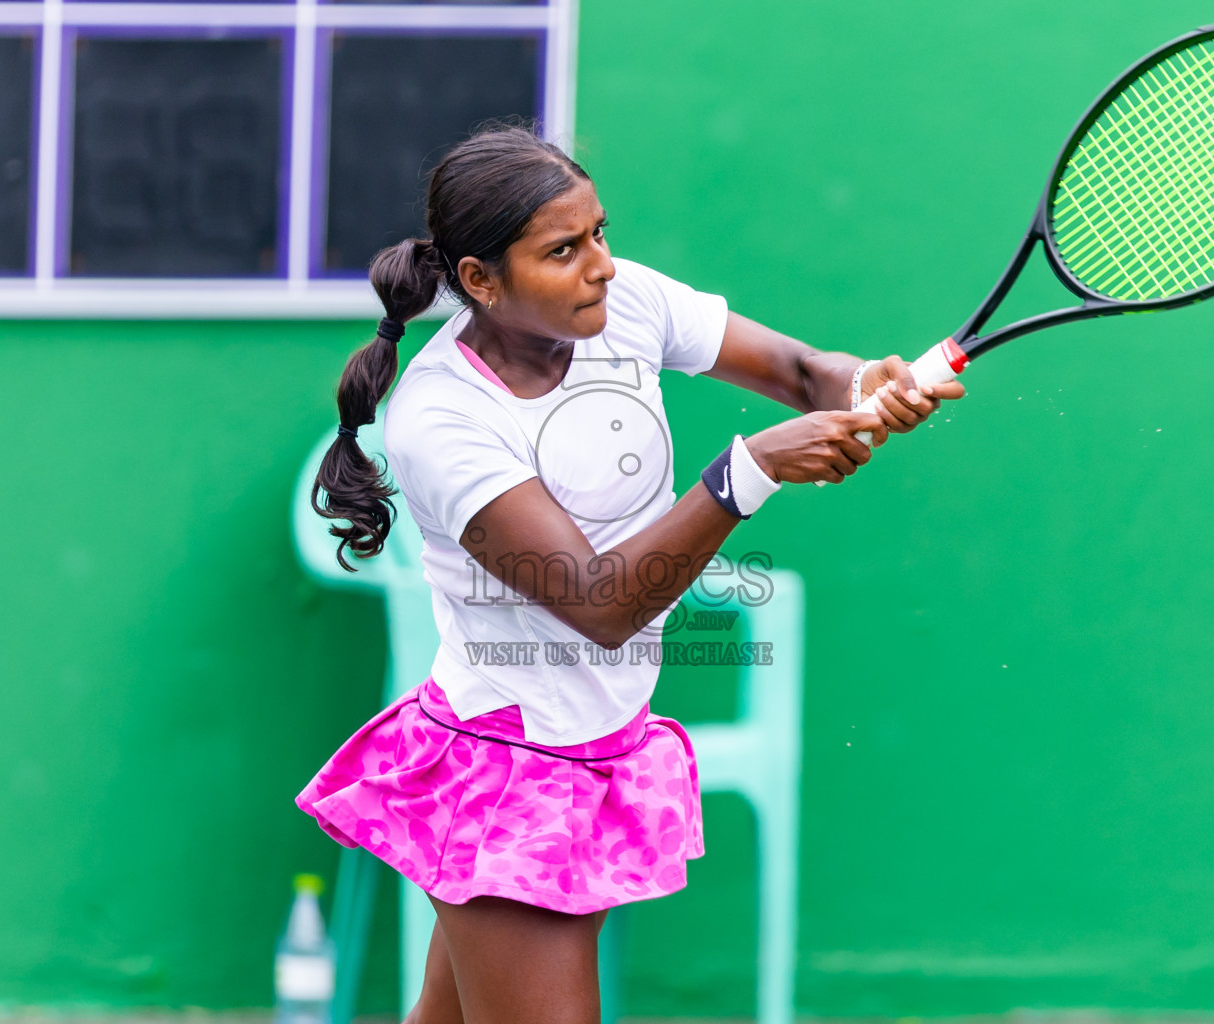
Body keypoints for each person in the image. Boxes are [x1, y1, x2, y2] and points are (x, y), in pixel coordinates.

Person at [295, 124, 964, 1024]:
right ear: (480, 282)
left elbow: (805, 372)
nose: (601, 265)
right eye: (563, 250)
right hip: (509, 766)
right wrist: (748, 472)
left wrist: (865, 386)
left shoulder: (623, 303)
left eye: (599, 232)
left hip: (598, 739)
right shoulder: (442, 417)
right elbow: (599, 604)